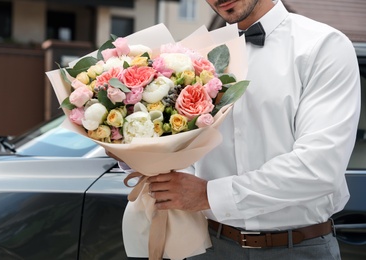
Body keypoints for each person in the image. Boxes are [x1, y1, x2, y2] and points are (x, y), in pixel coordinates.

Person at [145, 0, 361, 259]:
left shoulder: (323, 46)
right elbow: (181, 145)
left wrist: (208, 195)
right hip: (208, 245)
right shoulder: (192, 55)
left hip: (300, 248)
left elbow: (319, 168)